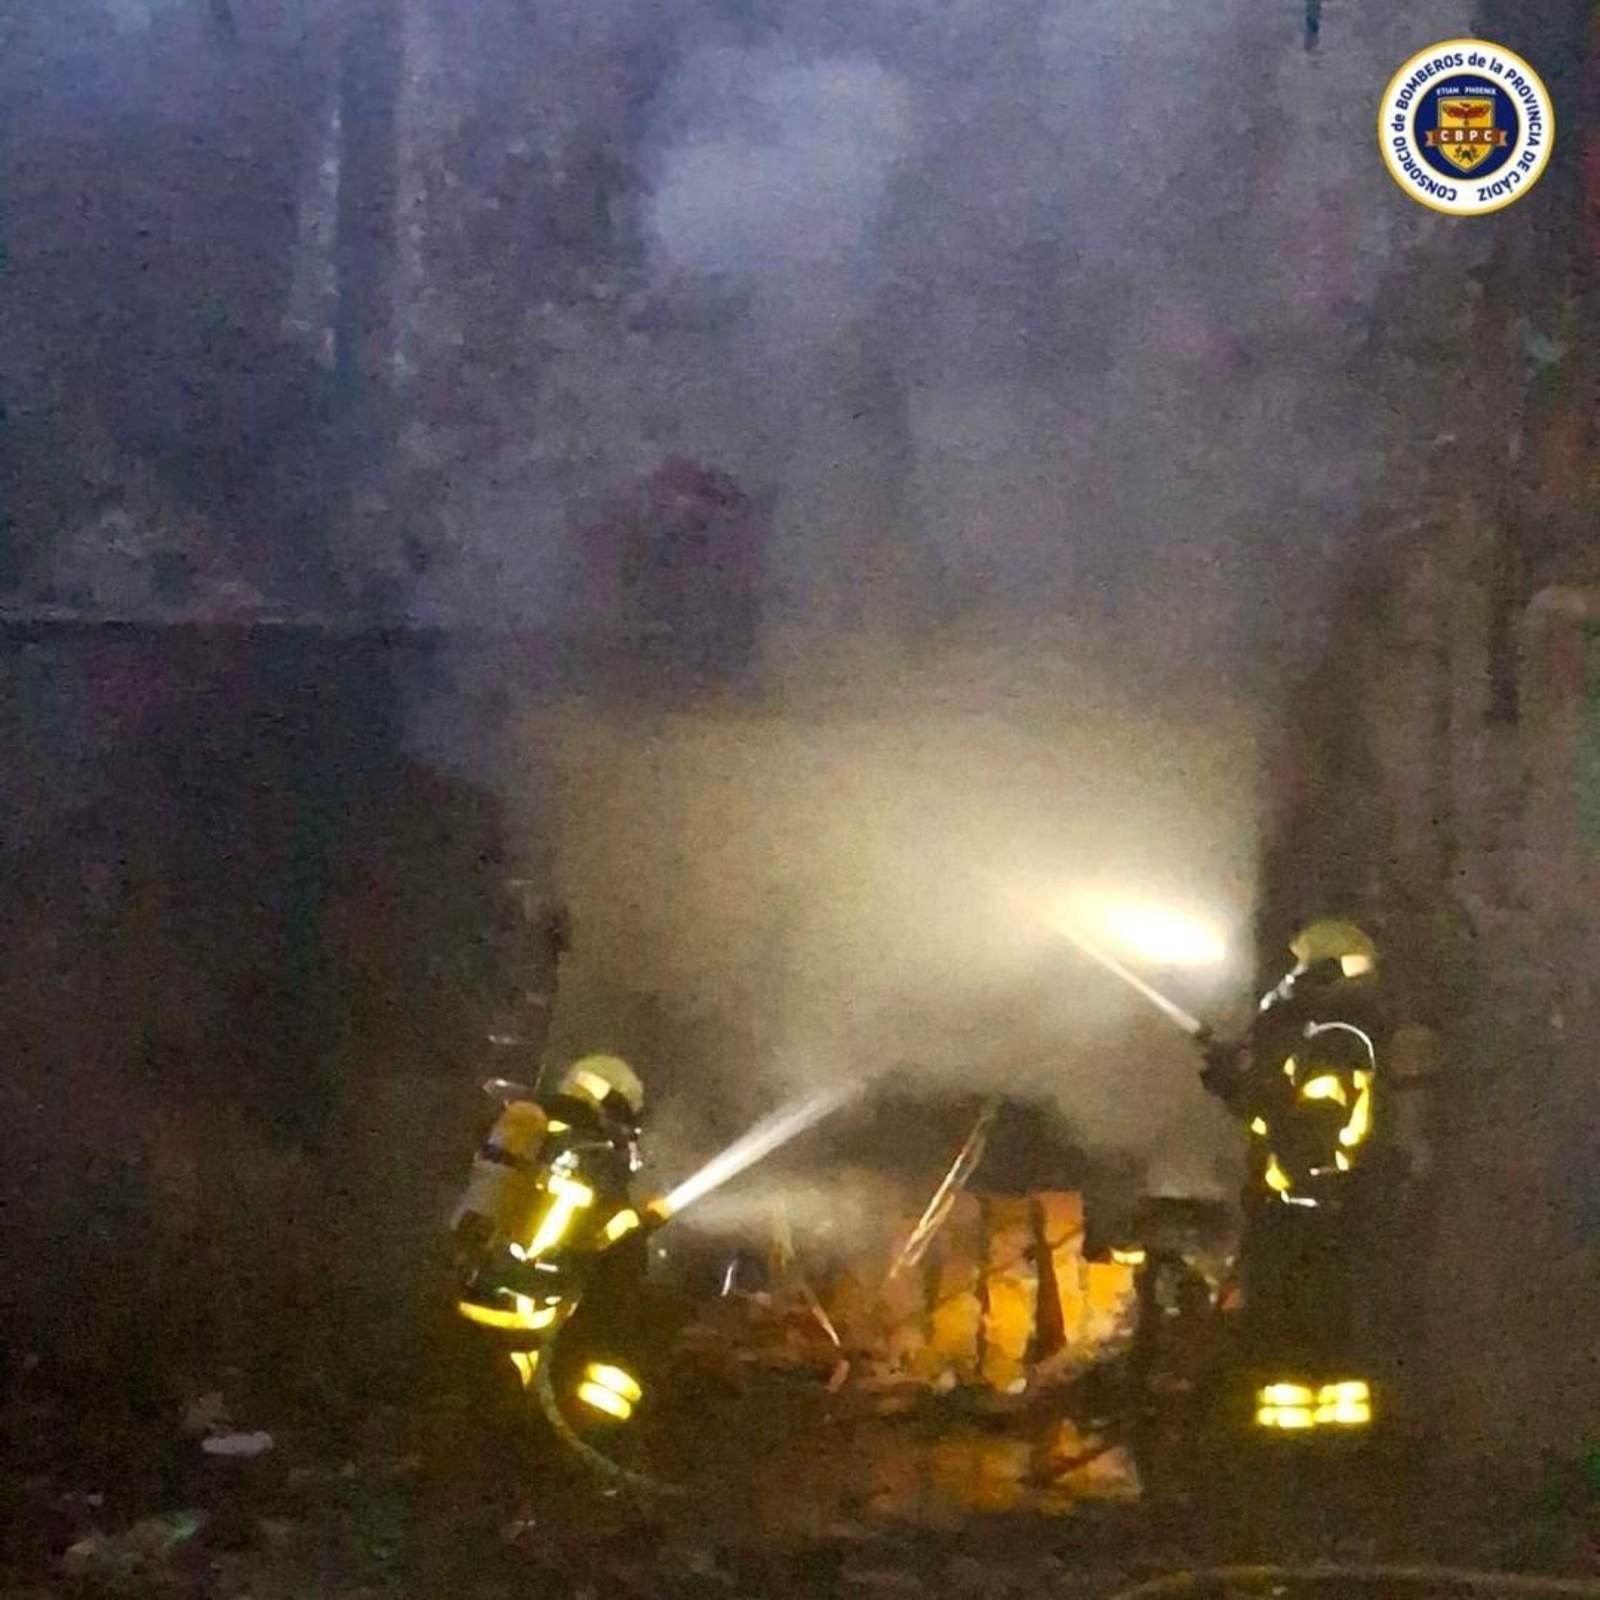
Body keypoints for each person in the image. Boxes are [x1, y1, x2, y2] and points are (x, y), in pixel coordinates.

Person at [452, 1053, 668, 1429]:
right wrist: (646, 1220)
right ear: (613, 1106)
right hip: (526, 1326)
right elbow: (618, 1259)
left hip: (461, 1302)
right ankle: (591, 1456)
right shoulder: (596, 1158)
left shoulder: (517, 1132)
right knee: (625, 1386)